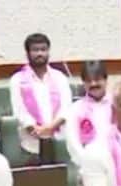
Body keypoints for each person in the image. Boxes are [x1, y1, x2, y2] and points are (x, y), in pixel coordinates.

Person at [9, 32, 72, 161]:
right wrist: (36, 129)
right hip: (30, 142)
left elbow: (66, 107)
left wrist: (50, 127)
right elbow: (19, 110)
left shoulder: (60, 77)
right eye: (35, 50)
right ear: (27, 53)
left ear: (48, 52)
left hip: (59, 139)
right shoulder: (17, 80)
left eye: (43, 49)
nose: (40, 54)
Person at [63, 60, 113, 163]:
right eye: (88, 81)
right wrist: (86, 163)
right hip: (88, 164)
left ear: (106, 80)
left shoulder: (117, 104)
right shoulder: (75, 109)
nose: (93, 84)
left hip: (117, 161)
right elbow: (73, 142)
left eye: (97, 79)